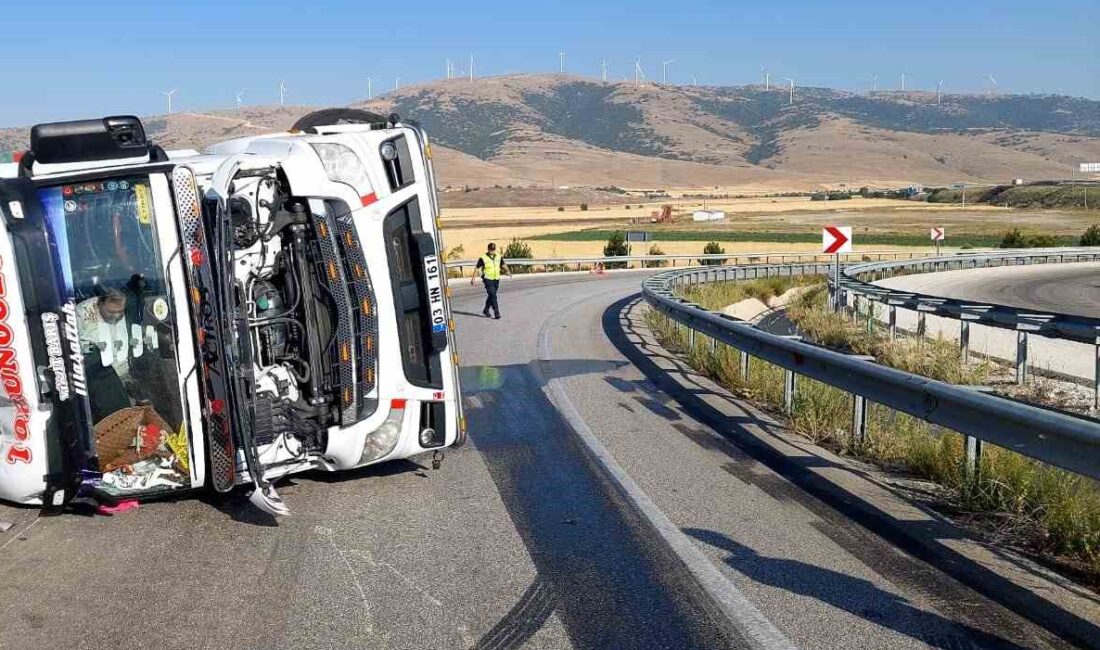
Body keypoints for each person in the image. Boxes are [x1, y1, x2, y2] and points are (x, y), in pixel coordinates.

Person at [471, 242, 510, 319]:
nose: (492, 251)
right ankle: (496, 312)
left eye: (493, 249)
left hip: (496, 279)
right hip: (487, 279)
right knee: (493, 295)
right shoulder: (483, 258)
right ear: (488, 249)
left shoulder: (498, 256)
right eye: (491, 249)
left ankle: (486, 310)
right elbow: (477, 268)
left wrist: (507, 271)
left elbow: (503, 264)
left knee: (491, 295)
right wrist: (473, 278)